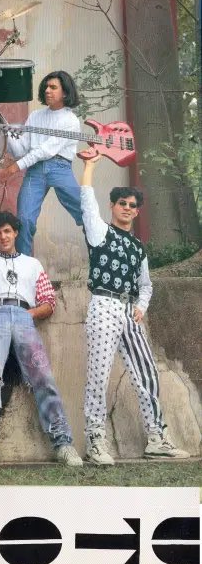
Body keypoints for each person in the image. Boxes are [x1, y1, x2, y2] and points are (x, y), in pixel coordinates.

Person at [79, 149, 190, 465]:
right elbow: (87, 203)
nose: (127, 208)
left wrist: (141, 306)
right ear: (112, 206)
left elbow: (146, 285)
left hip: (128, 311)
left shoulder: (138, 248)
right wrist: (89, 166)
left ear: (137, 211)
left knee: (147, 372)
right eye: (122, 203)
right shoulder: (100, 232)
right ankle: (95, 441)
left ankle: (157, 438)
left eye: (132, 205)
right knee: (99, 374)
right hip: (103, 303)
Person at [0, 204, 83, 468]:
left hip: (24, 316)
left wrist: (27, 314)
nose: (3, 236)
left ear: (15, 233)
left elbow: (49, 302)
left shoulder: (32, 264)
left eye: (8, 231)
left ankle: (63, 444)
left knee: (42, 377)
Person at [0, 70, 83, 256]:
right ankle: (25, 267)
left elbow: (45, 151)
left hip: (59, 168)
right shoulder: (36, 116)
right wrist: (4, 128)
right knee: (24, 220)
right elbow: (21, 150)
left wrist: (10, 170)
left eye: (53, 87)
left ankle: (104, 255)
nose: (47, 91)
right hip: (35, 171)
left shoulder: (70, 120)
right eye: (46, 87)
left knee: (85, 214)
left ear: (65, 92)